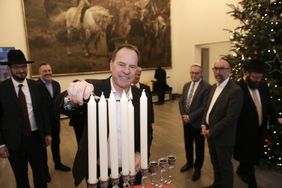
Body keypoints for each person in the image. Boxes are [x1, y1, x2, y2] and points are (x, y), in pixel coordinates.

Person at [56, 43, 153, 187]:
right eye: (121, 64)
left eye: (132, 67)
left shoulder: (142, 96)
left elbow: (147, 131)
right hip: (99, 173)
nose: (126, 71)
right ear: (111, 65)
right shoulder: (93, 89)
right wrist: (72, 97)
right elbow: (60, 104)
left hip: (131, 171)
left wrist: (140, 152)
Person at [0, 49, 52, 188]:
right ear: (9, 68)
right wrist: (1, 144)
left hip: (36, 138)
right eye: (17, 67)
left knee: (40, 173)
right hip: (13, 141)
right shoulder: (2, 89)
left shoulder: (36, 86)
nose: (21, 70)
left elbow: (43, 112)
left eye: (23, 66)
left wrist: (47, 133)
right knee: (21, 176)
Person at [234, 60, 282, 188]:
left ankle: (241, 170)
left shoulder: (263, 86)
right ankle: (252, 183)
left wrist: (276, 117)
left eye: (260, 78)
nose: (257, 80)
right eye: (255, 77)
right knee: (248, 156)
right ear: (247, 73)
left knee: (252, 155)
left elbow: (269, 103)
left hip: (259, 128)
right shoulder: (237, 87)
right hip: (243, 130)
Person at [201, 58, 243, 188]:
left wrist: (211, 131)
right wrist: (203, 123)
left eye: (221, 69)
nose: (218, 72)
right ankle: (217, 184)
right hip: (211, 135)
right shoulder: (213, 87)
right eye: (215, 68)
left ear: (229, 71)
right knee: (215, 163)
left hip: (224, 137)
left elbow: (231, 118)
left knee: (225, 166)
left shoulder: (235, 90)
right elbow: (207, 107)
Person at [37, 63, 71, 182]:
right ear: (39, 73)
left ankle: (58, 163)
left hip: (55, 120)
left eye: (49, 70)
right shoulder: (35, 86)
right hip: (41, 123)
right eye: (45, 71)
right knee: (43, 146)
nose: (48, 73)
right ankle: (44, 170)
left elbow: (58, 103)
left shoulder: (56, 84)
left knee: (56, 142)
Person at [178, 64, 211, 181]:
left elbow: (204, 107)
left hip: (198, 123)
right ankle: (189, 163)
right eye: (192, 72)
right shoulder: (186, 85)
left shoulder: (207, 87)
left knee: (199, 147)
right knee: (187, 144)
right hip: (186, 122)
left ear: (201, 73)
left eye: (196, 73)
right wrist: (184, 115)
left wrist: (190, 117)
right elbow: (181, 101)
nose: (194, 75)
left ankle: (197, 168)